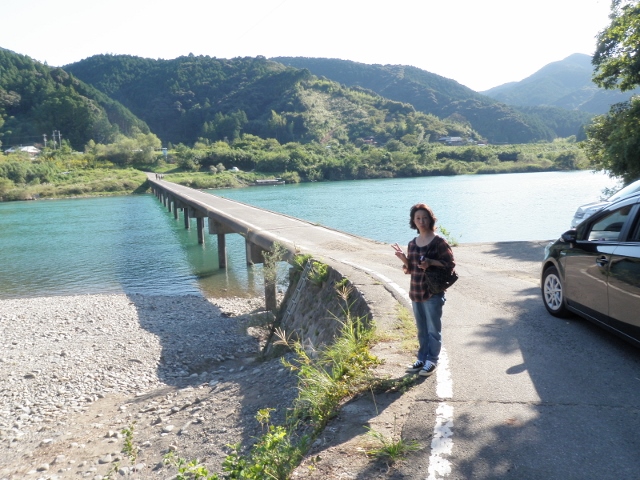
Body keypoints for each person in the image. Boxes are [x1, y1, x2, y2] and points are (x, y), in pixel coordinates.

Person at [392, 203, 455, 377]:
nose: (421, 221)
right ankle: (422, 357)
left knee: (433, 329)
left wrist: (431, 262)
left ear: (430, 219)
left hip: (433, 292)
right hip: (416, 291)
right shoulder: (412, 243)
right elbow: (411, 269)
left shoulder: (439, 242)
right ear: (413, 221)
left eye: (424, 217)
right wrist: (404, 259)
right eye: (418, 218)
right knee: (421, 329)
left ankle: (432, 360)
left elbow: (450, 265)